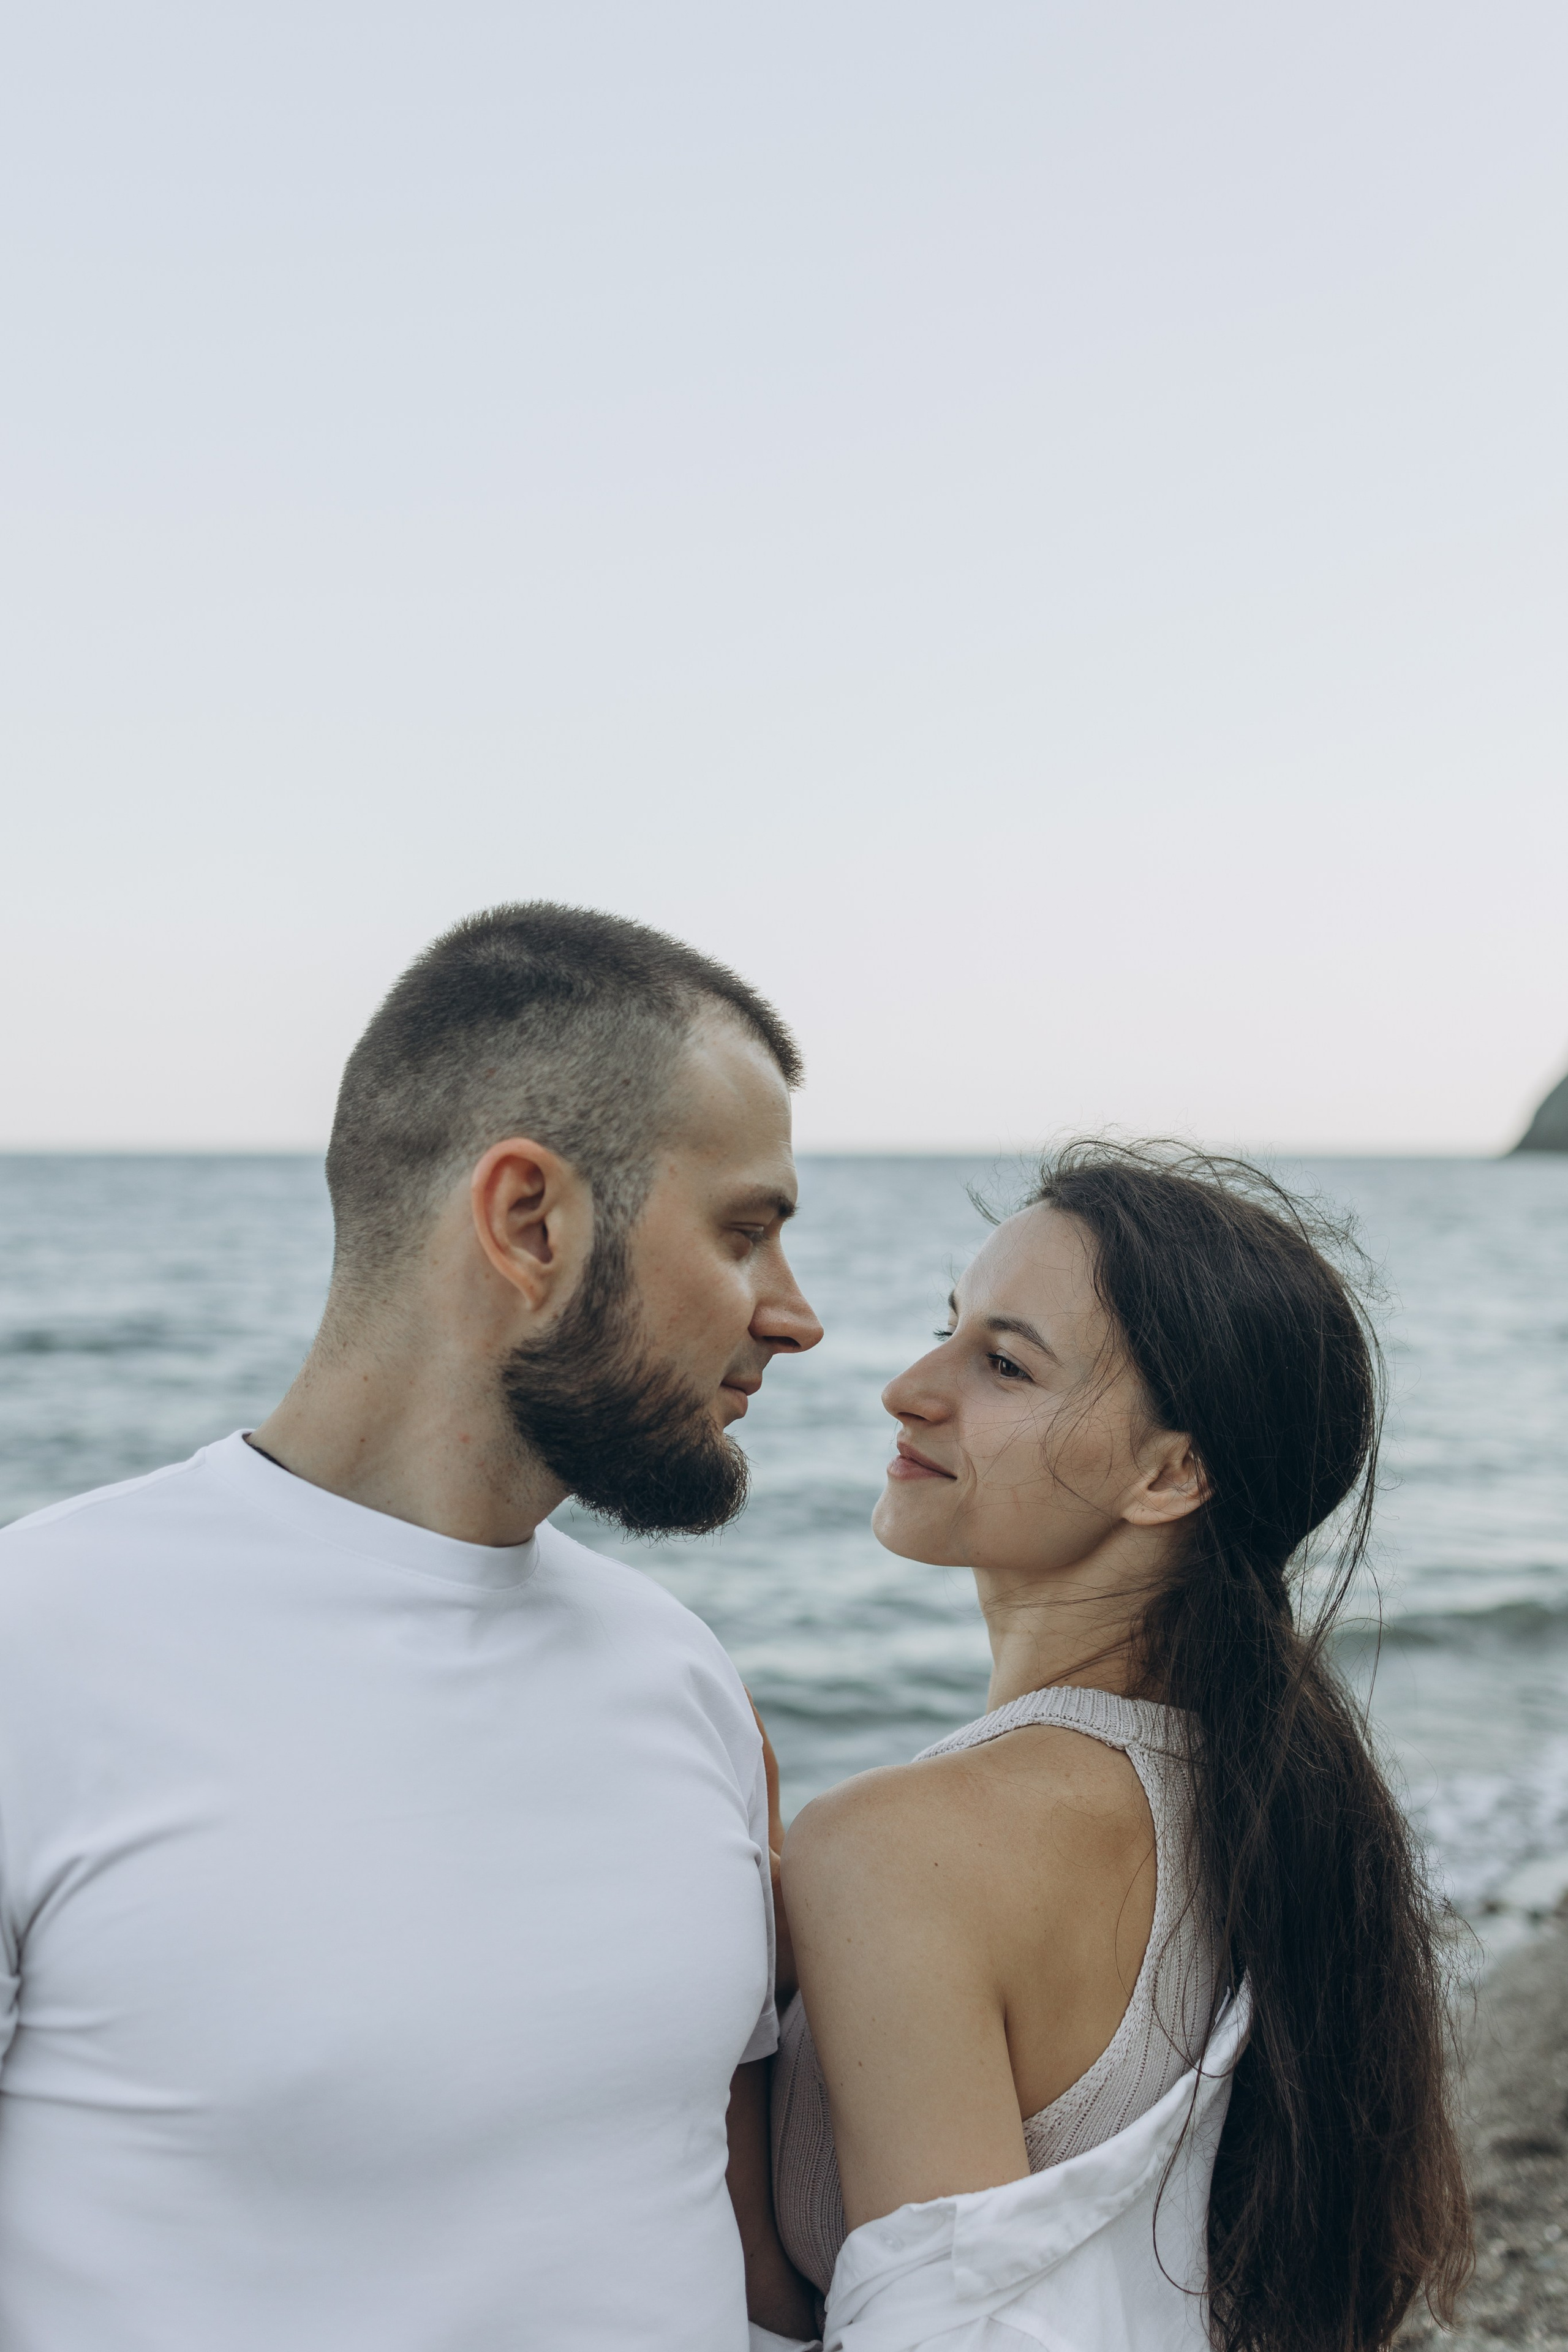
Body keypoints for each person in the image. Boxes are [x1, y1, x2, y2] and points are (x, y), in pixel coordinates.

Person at [0, 903, 824, 2351]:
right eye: (745, 1234)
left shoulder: (683, 1678)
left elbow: (733, 2241)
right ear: (528, 1221)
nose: (795, 1316)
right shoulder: (38, 1646)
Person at [748, 1144, 1472, 2352]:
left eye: (1001, 1363)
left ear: (1168, 1474)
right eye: (947, 1327)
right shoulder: (1270, 1807)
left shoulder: (904, 1848)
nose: (908, 1388)